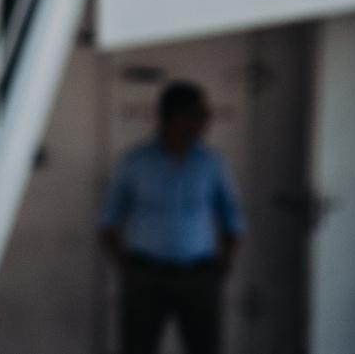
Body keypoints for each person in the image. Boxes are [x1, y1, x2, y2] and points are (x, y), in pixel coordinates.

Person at [98, 80, 245, 354]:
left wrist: (221, 268)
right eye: (195, 115)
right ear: (172, 117)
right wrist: (128, 270)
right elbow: (109, 221)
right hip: (146, 277)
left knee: (205, 347)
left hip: (198, 277)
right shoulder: (135, 162)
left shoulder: (212, 163)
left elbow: (232, 221)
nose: (203, 123)